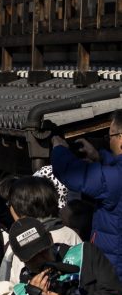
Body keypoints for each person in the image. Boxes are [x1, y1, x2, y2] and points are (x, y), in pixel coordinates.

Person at [51, 111, 122, 278]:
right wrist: (100, 157)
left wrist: (59, 148)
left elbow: (71, 173)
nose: (109, 141)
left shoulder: (116, 178)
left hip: (114, 271)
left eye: (110, 136)